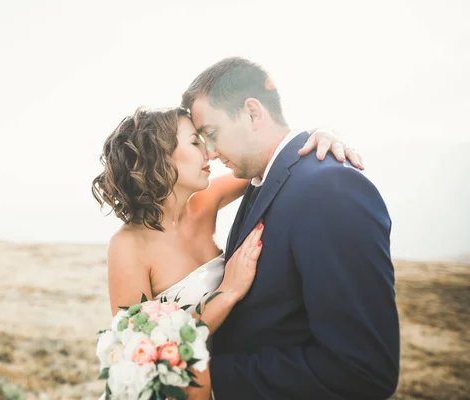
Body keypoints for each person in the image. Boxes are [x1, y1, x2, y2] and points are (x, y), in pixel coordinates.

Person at [92, 102, 363, 396]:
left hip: (228, 376)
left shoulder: (206, 201)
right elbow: (141, 352)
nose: (209, 152)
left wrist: (319, 134)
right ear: (157, 158)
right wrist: (227, 293)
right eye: (195, 142)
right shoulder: (128, 246)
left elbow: (275, 160)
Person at [178, 57, 400, 399]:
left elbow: (362, 369)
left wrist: (212, 381)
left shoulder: (330, 189)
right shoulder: (261, 181)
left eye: (211, 134)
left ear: (252, 112)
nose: (209, 151)